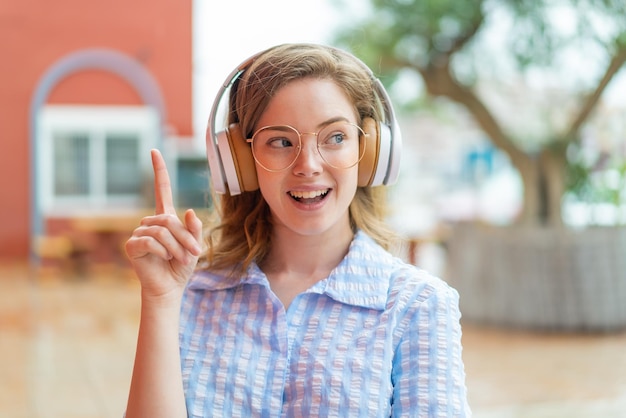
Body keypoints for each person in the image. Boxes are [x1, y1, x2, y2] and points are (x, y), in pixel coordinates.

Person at [124, 43, 470, 417]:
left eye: (335, 137)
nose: (308, 166)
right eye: (281, 142)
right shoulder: (190, 293)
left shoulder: (417, 305)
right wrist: (160, 300)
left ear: (369, 152)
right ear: (240, 160)